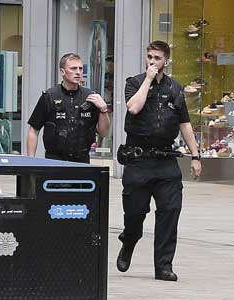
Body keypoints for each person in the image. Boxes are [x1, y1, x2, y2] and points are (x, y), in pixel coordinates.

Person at [116, 40, 202, 282]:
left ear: (166, 60)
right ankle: (129, 240)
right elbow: (133, 108)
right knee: (134, 213)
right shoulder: (134, 83)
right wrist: (147, 80)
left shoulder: (175, 88)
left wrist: (195, 155)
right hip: (138, 159)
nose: (153, 62)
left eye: (157, 58)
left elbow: (185, 123)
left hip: (165, 160)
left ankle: (163, 266)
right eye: (150, 57)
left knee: (170, 211)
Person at [25, 52, 109, 163]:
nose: (78, 72)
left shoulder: (90, 97)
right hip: (55, 160)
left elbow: (103, 132)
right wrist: (31, 162)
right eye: (73, 69)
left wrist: (103, 109)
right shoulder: (50, 96)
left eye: (80, 69)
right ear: (63, 72)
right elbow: (33, 130)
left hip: (82, 160)